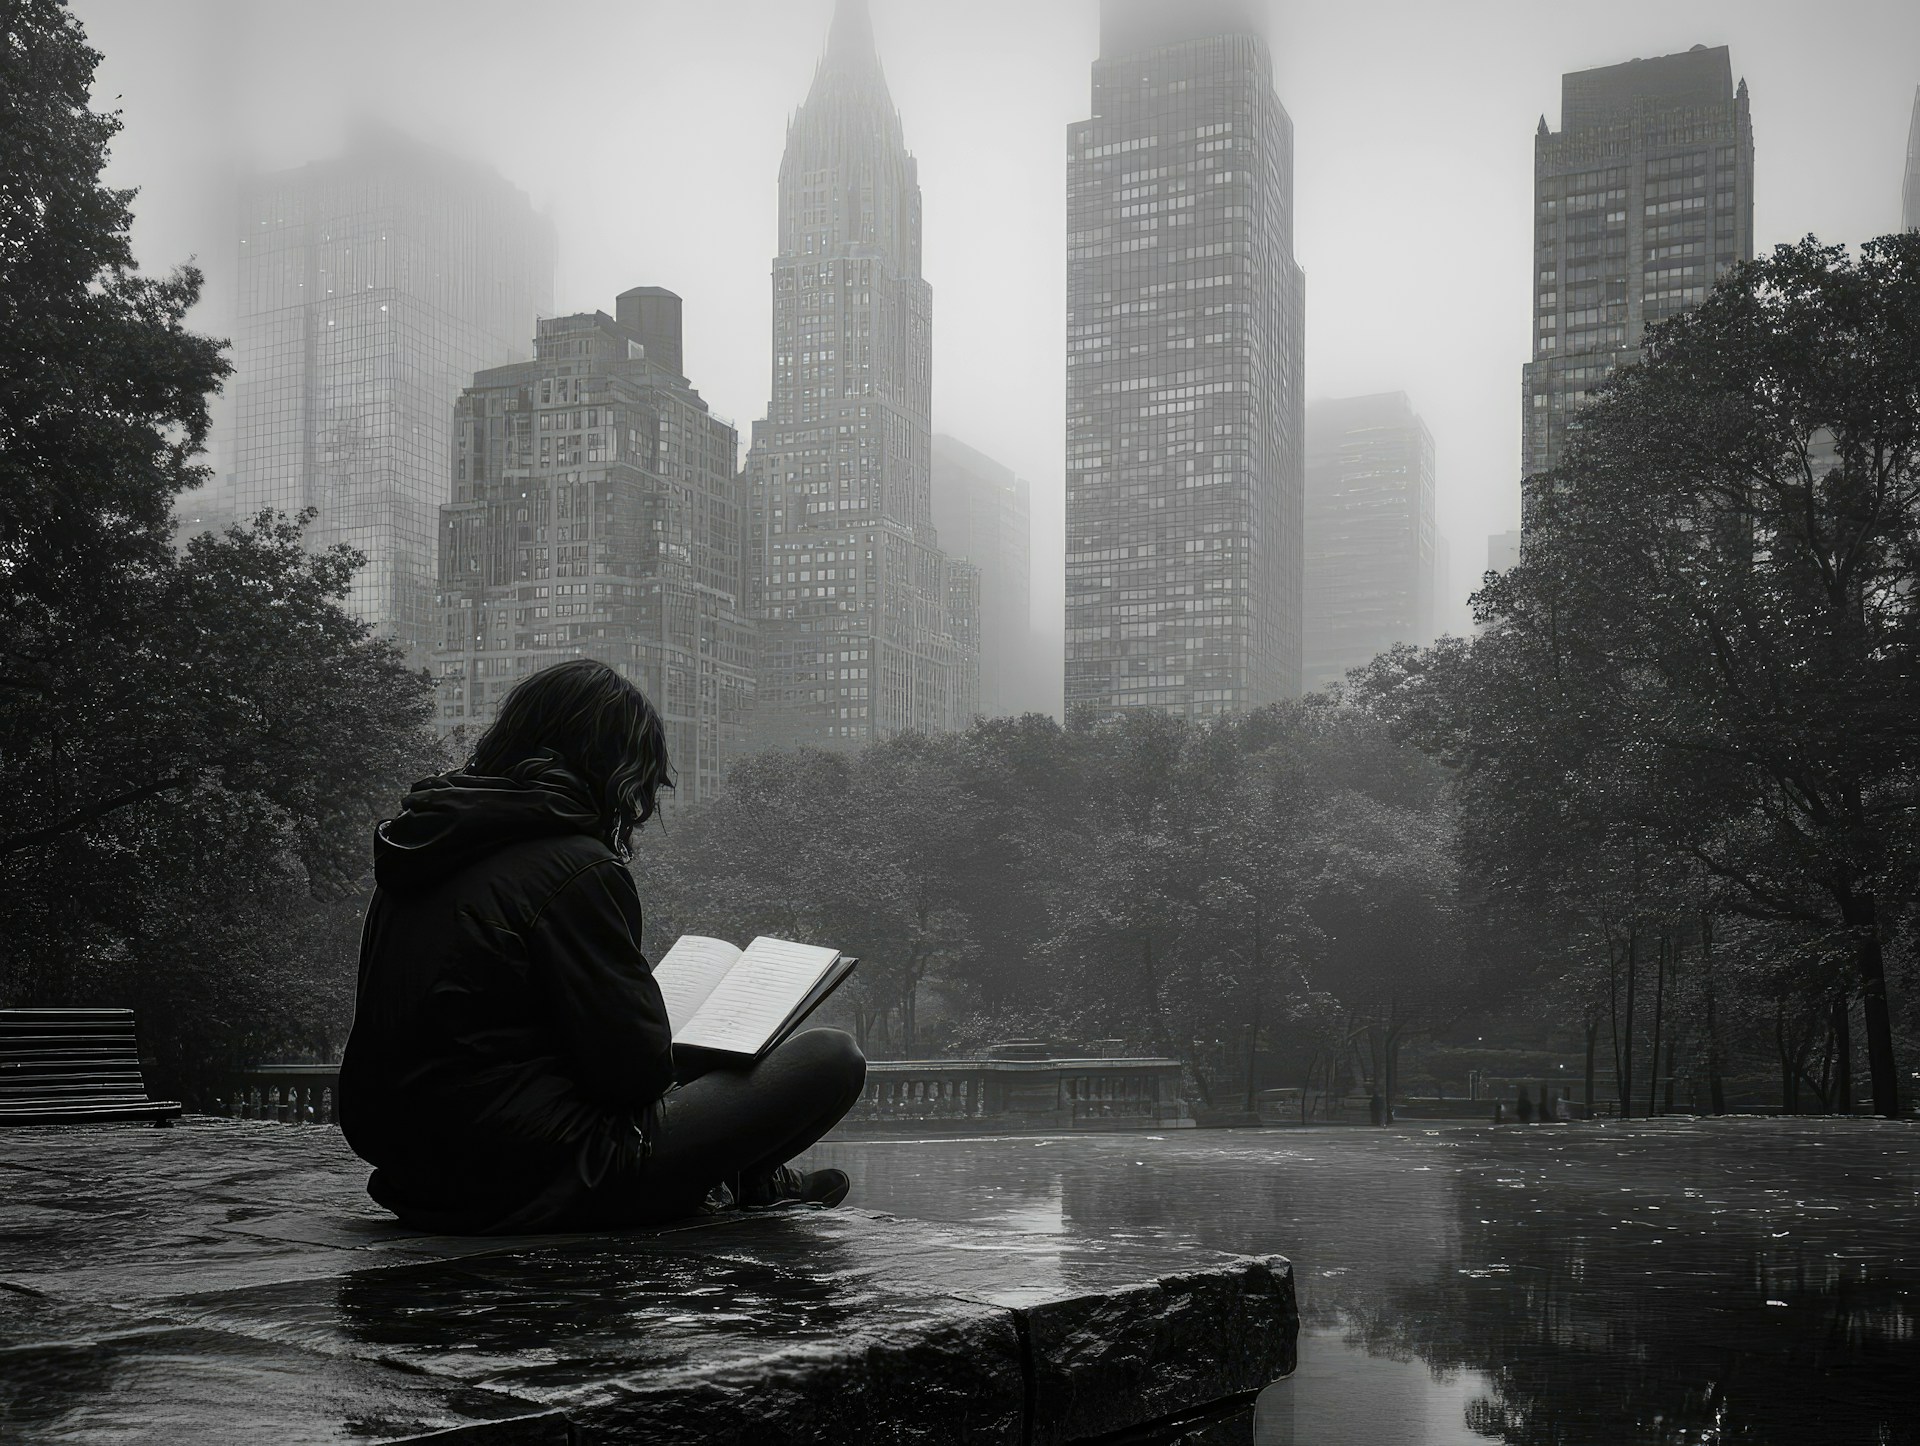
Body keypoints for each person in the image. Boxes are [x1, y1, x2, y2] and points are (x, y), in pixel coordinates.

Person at [337, 660, 867, 1234]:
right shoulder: (574, 865)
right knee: (831, 1058)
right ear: (613, 768)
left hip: (414, 1168)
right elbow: (630, 1077)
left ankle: (746, 1181)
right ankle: (746, 1180)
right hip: (539, 1169)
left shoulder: (421, 847)